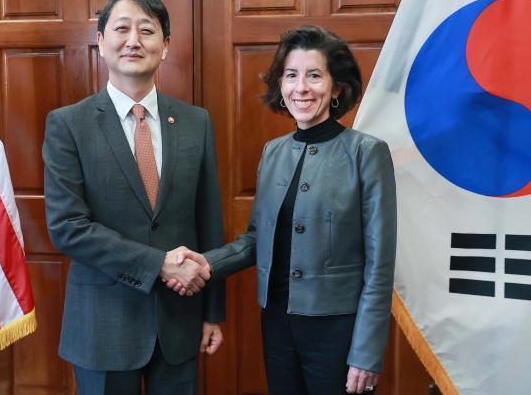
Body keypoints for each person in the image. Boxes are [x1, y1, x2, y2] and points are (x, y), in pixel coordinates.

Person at [167, 25, 397, 395]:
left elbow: (380, 264)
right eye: (291, 75)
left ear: (336, 87)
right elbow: (259, 238)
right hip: (276, 321)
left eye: (314, 75)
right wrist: (205, 263)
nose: (300, 87)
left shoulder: (366, 153)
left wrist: (367, 352)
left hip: (337, 329)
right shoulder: (273, 151)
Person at [42, 0, 225, 395]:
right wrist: (159, 263)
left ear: (165, 45)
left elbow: (209, 222)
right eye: (122, 28)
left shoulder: (197, 122)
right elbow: (68, 227)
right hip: (102, 327)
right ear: (102, 42)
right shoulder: (68, 124)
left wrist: (213, 312)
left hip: (180, 323)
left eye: (147, 30)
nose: (134, 41)